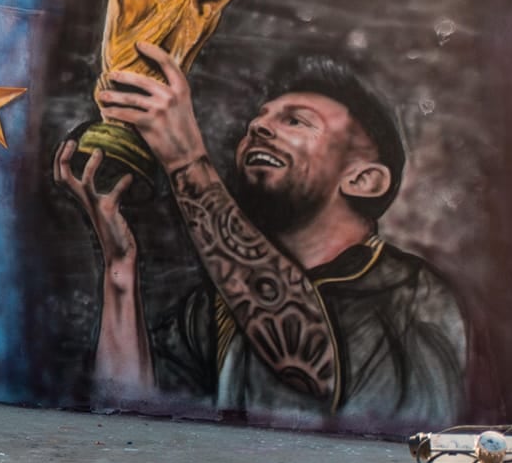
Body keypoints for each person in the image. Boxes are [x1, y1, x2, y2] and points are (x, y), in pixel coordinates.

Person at [56, 45, 466, 429]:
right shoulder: (215, 304)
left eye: (295, 120)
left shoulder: (413, 295)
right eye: (262, 116)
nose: (258, 126)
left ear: (363, 178)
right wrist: (120, 268)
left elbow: (310, 365)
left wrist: (185, 159)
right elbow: (130, 410)